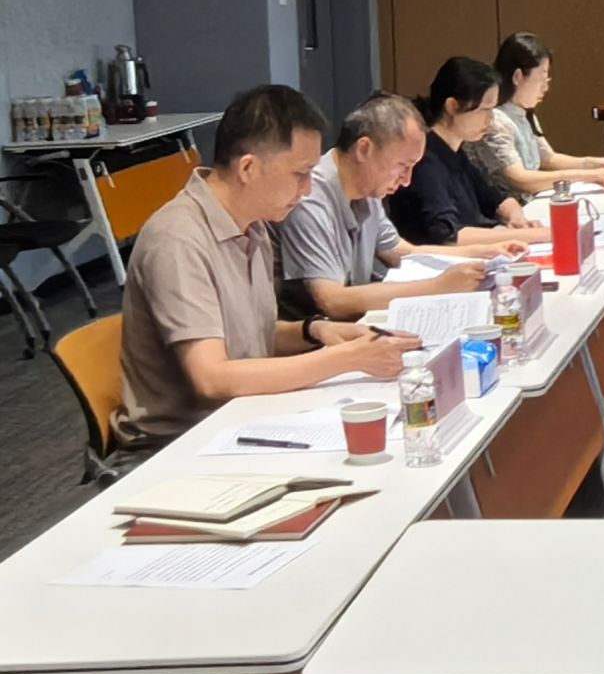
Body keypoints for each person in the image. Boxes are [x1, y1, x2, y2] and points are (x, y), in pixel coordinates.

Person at [113, 84, 421, 447]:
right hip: (178, 442)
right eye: (300, 174)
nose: (307, 190)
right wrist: (348, 359)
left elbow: (250, 337)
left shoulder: (253, 224)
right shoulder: (178, 240)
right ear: (248, 167)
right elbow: (212, 378)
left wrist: (315, 331)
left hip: (241, 416)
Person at [279, 92, 523, 319]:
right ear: (364, 149)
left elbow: (401, 252)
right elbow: (332, 300)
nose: (406, 181)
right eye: (403, 166)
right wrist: (437, 287)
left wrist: (482, 253)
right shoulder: (310, 198)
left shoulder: (367, 189)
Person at [386, 57, 549, 249]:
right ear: (452, 106)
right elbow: (447, 236)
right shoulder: (425, 159)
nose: (491, 119)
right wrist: (530, 235)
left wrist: (516, 216)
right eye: (485, 110)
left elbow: (495, 198)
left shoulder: (455, 151)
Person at [466, 33, 604, 198]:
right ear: (517, 77)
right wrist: (586, 175)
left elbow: (547, 159)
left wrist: (591, 163)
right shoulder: (495, 120)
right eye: (542, 79)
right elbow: (521, 179)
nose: (545, 88)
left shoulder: (524, 112)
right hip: (509, 208)